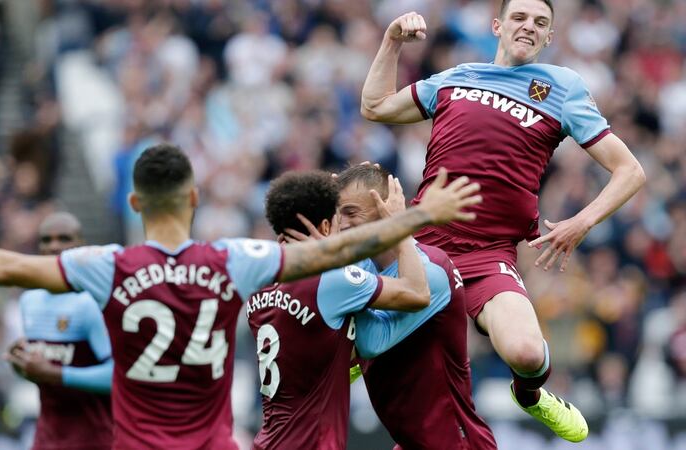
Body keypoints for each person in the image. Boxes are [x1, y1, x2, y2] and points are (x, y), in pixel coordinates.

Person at [0, 143, 481, 449]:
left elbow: (15, 269)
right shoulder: (232, 261)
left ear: (134, 204)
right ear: (195, 199)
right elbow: (326, 257)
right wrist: (418, 215)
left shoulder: (109, 266)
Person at [359, 0, 646, 442]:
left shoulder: (561, 87)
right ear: (497, 25)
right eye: (519, 17)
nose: (529, 27)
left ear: (550, 37)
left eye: (541, 23)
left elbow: (630, 170)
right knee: (370, 353)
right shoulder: (456, 77)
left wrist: (581, 222)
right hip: (423, 250)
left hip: (488, 254)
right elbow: (375, 106)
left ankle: (529, 395)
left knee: (528, 353)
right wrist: (391, 41)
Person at [248, 170, 466, 449]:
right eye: (340, 216)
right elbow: (416, 291)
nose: (345, 226)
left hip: (268, 440)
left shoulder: (259, 284)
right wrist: (400, 225)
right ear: (327, 226)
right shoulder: (333, 282)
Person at [336, 164, 496, 449]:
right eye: (338, 213)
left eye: (350, 212)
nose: (342, 223)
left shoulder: (430, 272)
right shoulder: (363, 263)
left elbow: (371, 342)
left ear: (385, 208)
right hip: (411, 441)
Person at [4, 212, 113, 450]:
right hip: (47, 438)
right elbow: (44, 372)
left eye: (64, 239)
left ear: (81, 246)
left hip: (94, 439)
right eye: (46, 240)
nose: (54, 246)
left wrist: (57, 374)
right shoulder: (29, 301)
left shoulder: (93, 303)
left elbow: (117, 376)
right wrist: (21, 365)